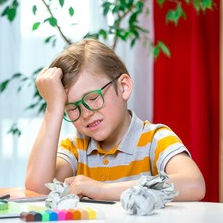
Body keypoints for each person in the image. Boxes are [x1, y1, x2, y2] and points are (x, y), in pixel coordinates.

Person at [25, 38, 206, 201]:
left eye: (93, 98)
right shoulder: (75, 147)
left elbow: (194, 185)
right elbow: (38, 188)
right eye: (72, 108)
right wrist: (53, 107)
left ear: (124, 87)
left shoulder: (155, 139)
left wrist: (103, 190)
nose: (86, 113)